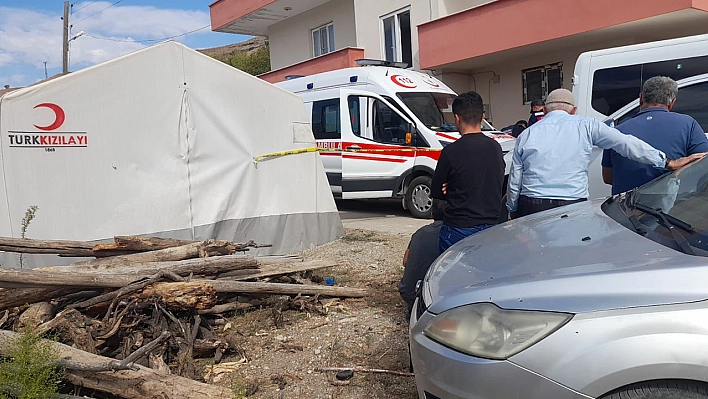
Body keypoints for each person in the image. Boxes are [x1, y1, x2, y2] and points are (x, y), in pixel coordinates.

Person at [506, 88, 700, 218]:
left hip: (531, 204)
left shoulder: (528, 134)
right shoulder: (586, 125)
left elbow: (515, 178)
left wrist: (513, 209)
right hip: (571, 206)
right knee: (568, 262)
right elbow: (626, 143)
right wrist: (667, 161)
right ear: (573, 110)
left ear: (546, 111)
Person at [602, 76, 708, 195]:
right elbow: (704, 164)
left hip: (624, 207)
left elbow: (608, 177)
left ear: (641, 99)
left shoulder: (617, 131)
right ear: (672, 102)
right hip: (668, 207)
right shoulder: (688, 124)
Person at [431, 91, 505, 253]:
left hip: (459, 227)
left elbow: (436, 191)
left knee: (451, 274)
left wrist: (450, 187)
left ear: (457, 118)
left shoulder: (451, 152)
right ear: (482, 116)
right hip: (491, 225)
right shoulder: (495, 148)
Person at [398, 199, 446, 321]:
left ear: (431, 214)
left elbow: (405, 262)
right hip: (433, 298)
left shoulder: (419, 233)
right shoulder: (453, 234)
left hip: (408, 293)